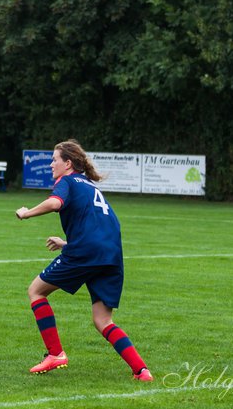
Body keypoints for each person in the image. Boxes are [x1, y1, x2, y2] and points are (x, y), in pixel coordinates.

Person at [14, 140, 153, 381]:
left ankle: (55, 354)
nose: (50, 164)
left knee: (36, 291)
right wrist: (68, 244)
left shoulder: (67, 182)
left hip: (87, 252)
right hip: (110, 255)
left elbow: (55, 203)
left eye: (54, 160)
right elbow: (100, 228)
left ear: (68, 164)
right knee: (103, 319)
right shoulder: (89, 186)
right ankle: (142, 371)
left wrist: (27, 213)